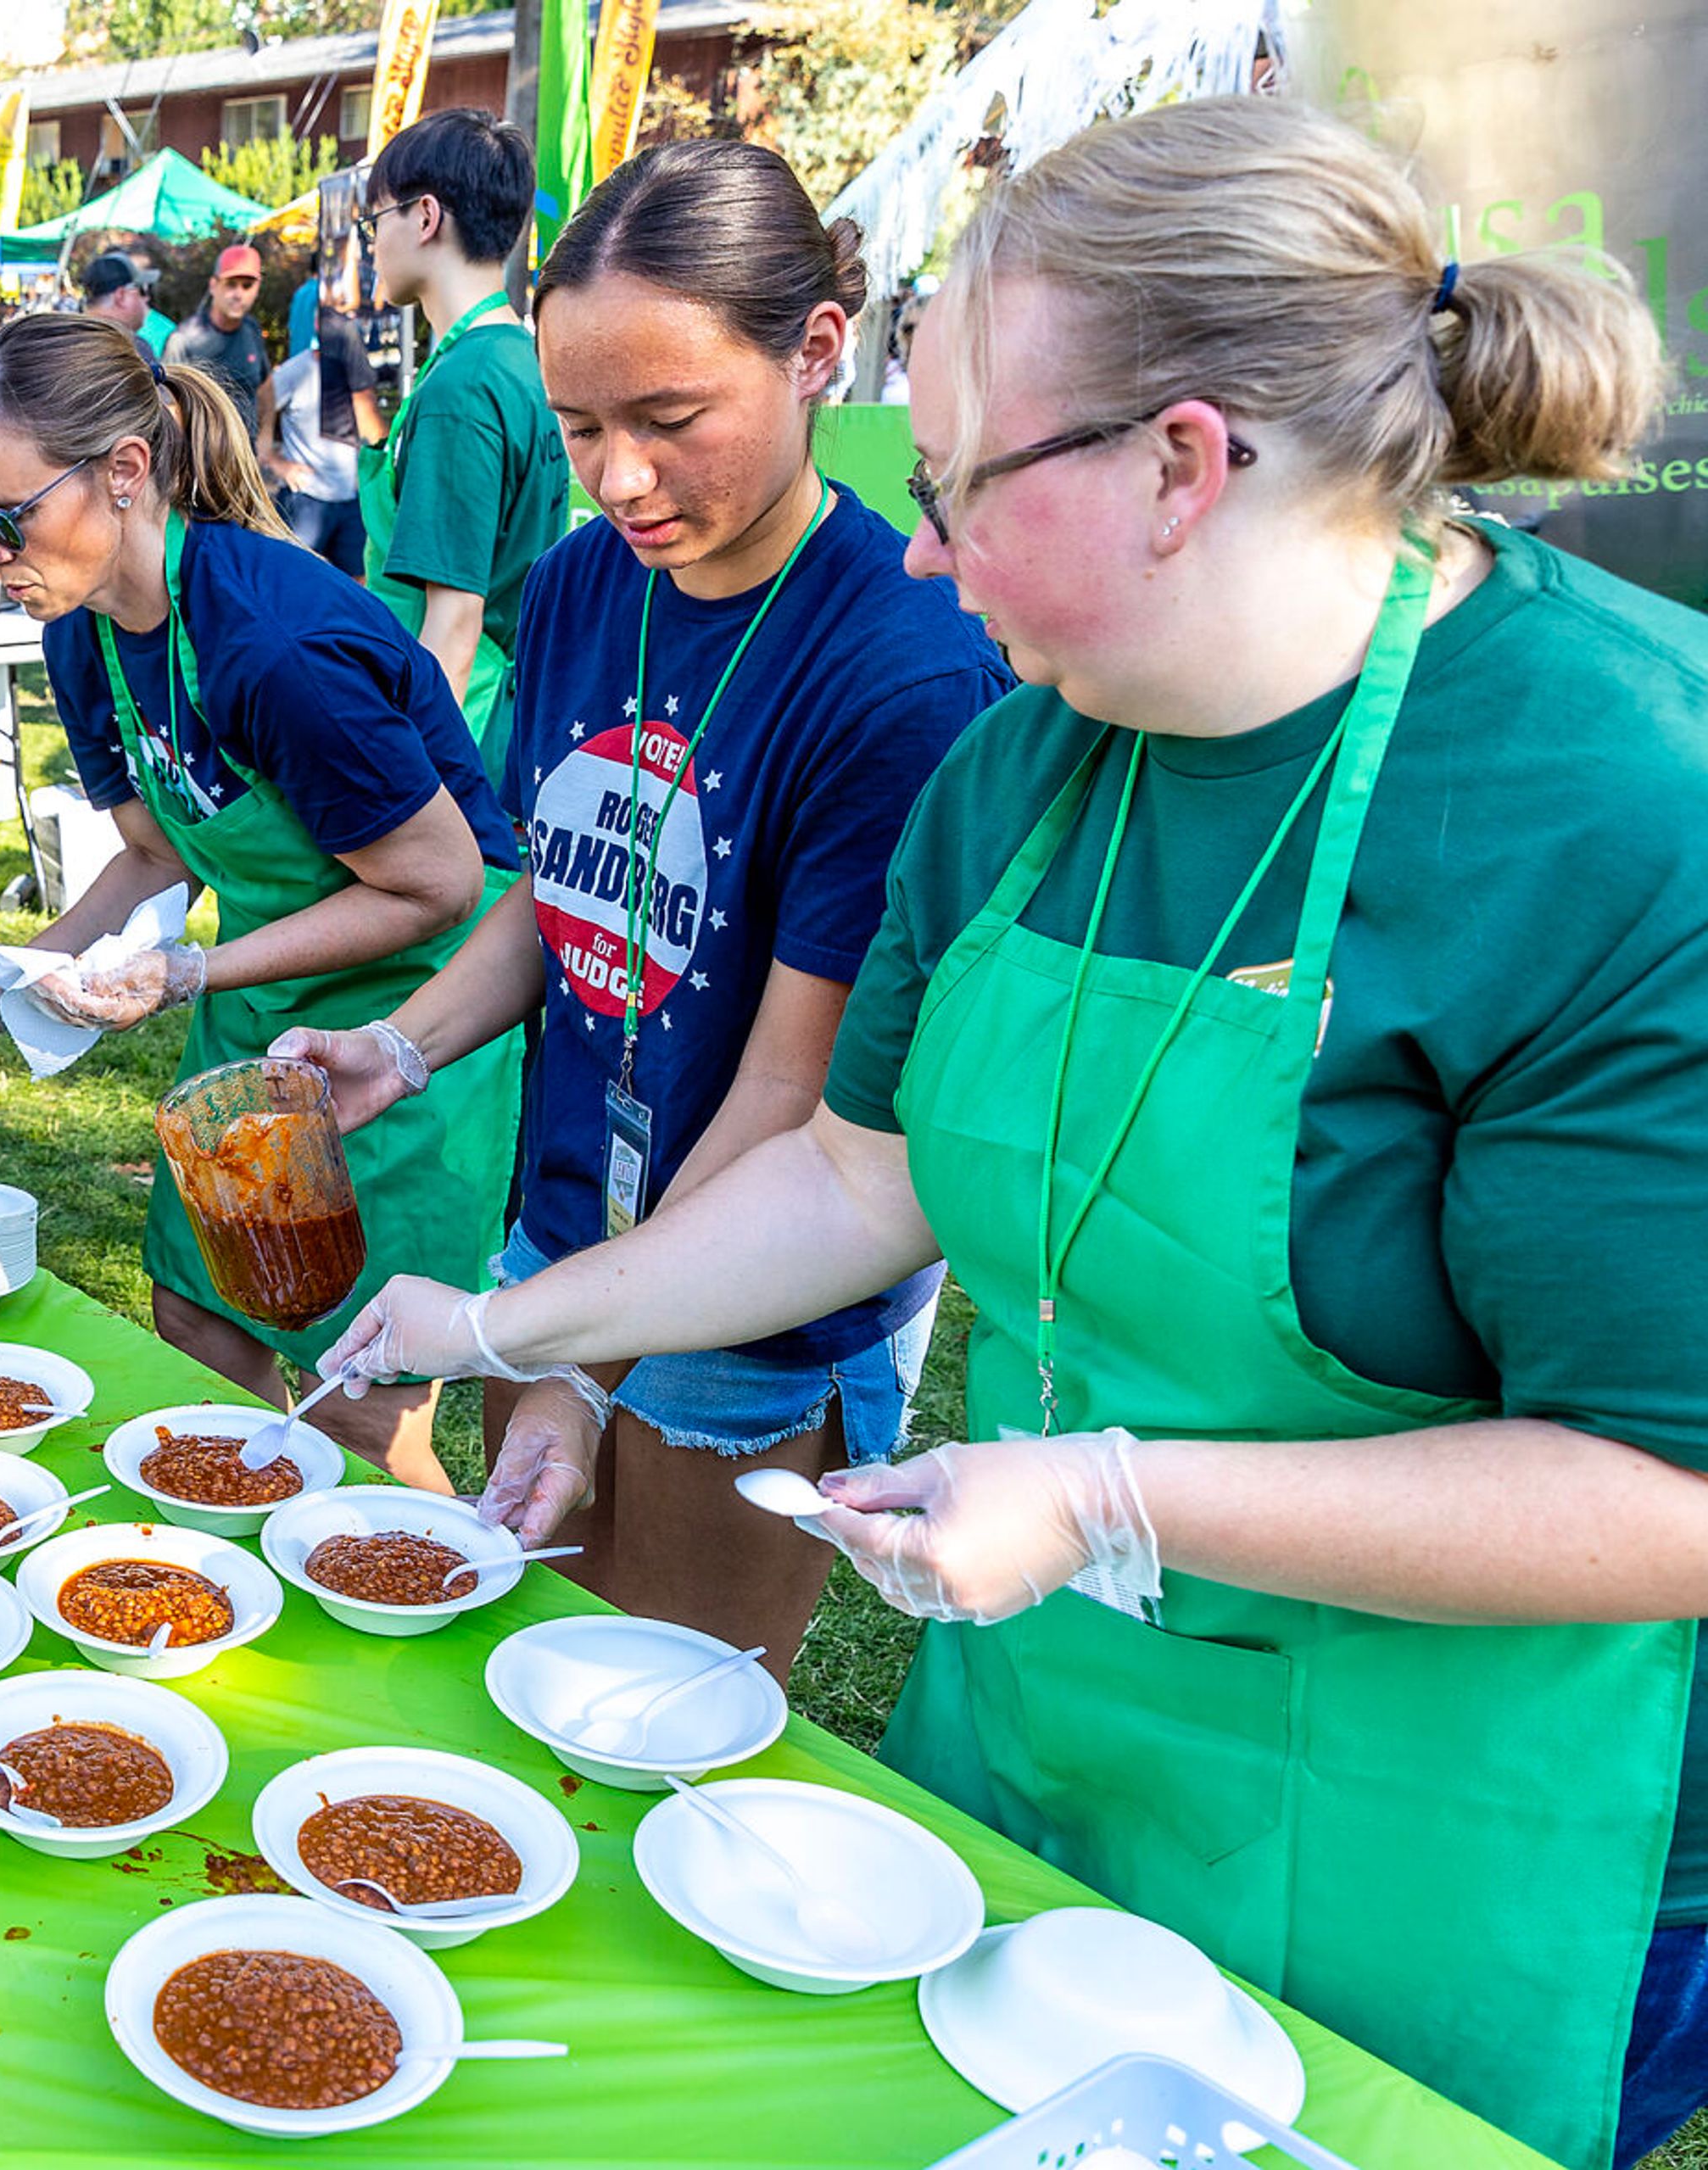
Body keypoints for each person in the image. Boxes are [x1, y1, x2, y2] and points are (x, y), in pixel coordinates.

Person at [320, 96, 1708, 2170]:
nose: (916, 547)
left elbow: (1660, 1487)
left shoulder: (1621, 796)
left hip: (1463, 1815)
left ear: (1183, 461)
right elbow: (848, 1172)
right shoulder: (1020, 762)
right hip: (1045, 1725)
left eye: (956, 479)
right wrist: (514, 1330)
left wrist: (1105, 1495)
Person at [271, 140, 1009, 1656]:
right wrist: (408, 1042)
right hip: (565, 1233)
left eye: (672, 420)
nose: (621, 478)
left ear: (816, 354)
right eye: (582, 424)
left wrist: (592, 1357)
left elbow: (793, 1090)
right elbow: (562, 882)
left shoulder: (901, 669)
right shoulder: (586, 583)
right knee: (530, 1659)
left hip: (747, 1292)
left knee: (663, 1707)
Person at [0, 313, 522, 1487]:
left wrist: (189, 971)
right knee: (203, 1319)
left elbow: (436, 883)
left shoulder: (274, 642)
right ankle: (265, 1547)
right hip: (260, 1001)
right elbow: (148, 855)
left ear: (124, 471)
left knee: (361, 1401)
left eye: (3, 518)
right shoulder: (83, 631)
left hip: (416, 1013)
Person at [359, 108, 572, 793]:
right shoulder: (525, 359)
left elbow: (453, 624)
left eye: (375, 223)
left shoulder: (461, 386)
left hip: (461, 734)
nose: (371, 246)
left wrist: (410, 794)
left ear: (424, 218)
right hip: (515, 718)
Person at [257, 298, 378, 577]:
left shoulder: (356, 368)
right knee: (294, 579)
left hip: (349, 498)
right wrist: (275, 460)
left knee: (359, 582)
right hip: (307, 499)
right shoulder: (297, 370)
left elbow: (368, 424)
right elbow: (263, 398)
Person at [165, 243, 270, 439]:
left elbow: (266, 385)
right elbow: (169, 408)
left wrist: (266, 436)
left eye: (247, 286)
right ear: (213, 285)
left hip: (247, 455)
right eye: (231, 284)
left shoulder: (252, 330)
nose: (239, 295)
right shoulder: (184, 340)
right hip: (202, 460)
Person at [78, 248, 168, 357]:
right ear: (121, 296)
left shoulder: (65, 338)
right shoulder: (133, 350)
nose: (146, 298)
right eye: (142, 290)